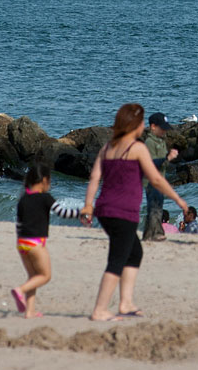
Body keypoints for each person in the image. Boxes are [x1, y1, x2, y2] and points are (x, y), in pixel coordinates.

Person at [83, 103, 188, 321]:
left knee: (134, 252)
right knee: (118, 258)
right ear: (135, 125)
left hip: (104, 209)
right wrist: (179, 200)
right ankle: (100, 309)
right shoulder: (137, 148)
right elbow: (156, 179)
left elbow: (94, 178)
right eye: (141, 123)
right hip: (122, 211)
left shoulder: (107, 148)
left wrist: (88, 204)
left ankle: (126, 303)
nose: (143, 126)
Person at [11, 162, 91, 318]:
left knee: (33, 277)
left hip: (22, 243)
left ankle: (30, 311)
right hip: (36, 243)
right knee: (45, 276)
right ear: (44, 181)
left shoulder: (23, 199)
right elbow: (62, 212)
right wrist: (81, 213)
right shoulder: (45, 198)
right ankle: (20, 290)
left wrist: (21, 241)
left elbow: (19, 224)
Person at [142, 112, 179, 242]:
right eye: (162, 128)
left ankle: (147, 234)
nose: (164, 131)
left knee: (158, 206)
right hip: (151, 181)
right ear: (153, 127)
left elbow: (162, 164)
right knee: (154, 208)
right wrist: (167, 158)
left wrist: (167, 159)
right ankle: (157, 233)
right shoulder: (149, 142)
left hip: (160, 180)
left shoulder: (161, 141)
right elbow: (150, 163)